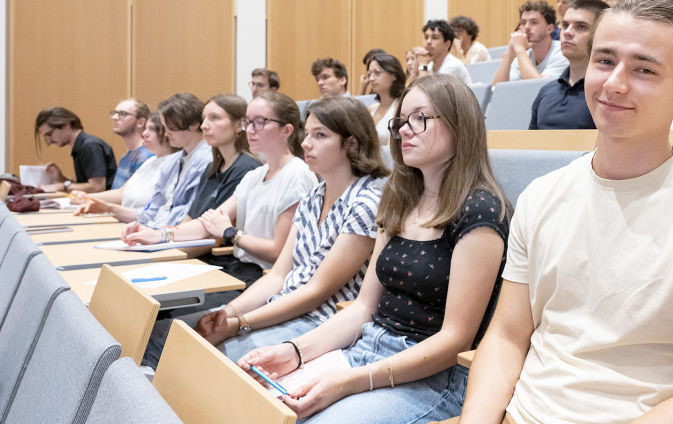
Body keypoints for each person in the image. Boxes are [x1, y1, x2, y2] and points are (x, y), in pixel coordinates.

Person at [460, 0, 673, 423]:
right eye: (604, 61)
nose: (614, 83)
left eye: (644, 69)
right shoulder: (542, 195)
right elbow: (509, 337)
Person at [238, 74, 512, 423]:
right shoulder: (399, 200)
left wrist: (352, 381)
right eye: (400, 122)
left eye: (420, 118)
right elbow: (362, 308)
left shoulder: (481, 211)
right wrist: (294, 352)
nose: (404, 131)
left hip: (431, 378)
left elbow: (455, 340)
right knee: (257, 403)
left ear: (459, 125)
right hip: (366, 351)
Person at [191, 96, 388, 365]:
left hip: (320, 324)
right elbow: (279, 275)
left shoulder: (365, 204)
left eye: (320, 135)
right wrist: (229, 312)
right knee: (193, 338)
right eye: (307, 134)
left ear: (351, 143)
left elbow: (317, 292)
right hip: (283, 307)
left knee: (214, 361)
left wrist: (240, 323)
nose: (306, 143)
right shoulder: (313, 197)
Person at [127, 92, 317, 284]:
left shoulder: (297, 174)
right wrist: (158, 235)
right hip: (239, 269)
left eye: (260, 122)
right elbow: (207, 223)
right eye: (248, 122)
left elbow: (279, 251)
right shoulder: (255, 176)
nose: (250, 130)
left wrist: (230, 233)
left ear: (286, 130)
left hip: (266, 279)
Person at [121, 93, 212, 230]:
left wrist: (155, 232)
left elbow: (187, 213)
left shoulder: (206, 160)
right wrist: (139, 224)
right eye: (164, 127)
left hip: (175, 234)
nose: (166, 133)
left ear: (193, 125)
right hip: (158, 229)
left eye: (170, 127)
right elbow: (153, 206)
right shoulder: (172, 161)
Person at [71, 113, 178, 213]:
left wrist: (110, 208)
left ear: (168, 133)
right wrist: (86, 196)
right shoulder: (150, 161)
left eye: (152, 129)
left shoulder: (175, 164)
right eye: (145, 129)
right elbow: (121, 193)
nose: (144, 134)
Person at [529, 0, 609, 130]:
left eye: (581, 27)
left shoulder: (609, 92)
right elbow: (528, 147)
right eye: (565, 25)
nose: (567, 32)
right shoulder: (546, 91)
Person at [34, 107, 117, 193]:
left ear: (65, 125)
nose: (50, 141)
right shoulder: (81, 147)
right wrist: (61, 179)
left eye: (49, 134)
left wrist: (59, 186)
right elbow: (85, 186)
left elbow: (97, 187)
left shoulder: (90, 145)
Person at [492, 0, 569, 84]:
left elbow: (538, 88)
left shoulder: (563, 52)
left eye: (534, 22)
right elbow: (496, 89)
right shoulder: (522, 56)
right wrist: (510, 53)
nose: (527, 27)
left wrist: (519, 48)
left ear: (549, 29)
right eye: (523, 23)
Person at [109, 98, 153, 189]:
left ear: (140, 122)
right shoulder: (126, 156)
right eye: (114, 113)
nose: (115, 118)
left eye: (122, 114)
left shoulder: (146, 156)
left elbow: (131, 197)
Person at [366, 52, 406, 145]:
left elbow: (393, 149)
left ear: (394, 75)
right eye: (369, 74)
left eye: (377, 72)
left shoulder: (400, 107)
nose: (371, 78)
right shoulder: (372, 108)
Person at [417, 19, 473, 85]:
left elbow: (424, 92)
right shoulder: (429, 66)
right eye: (426, 37)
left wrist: (423, 66)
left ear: (447, 44)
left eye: (434, 37)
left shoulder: (453, 65)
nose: (428, 41)